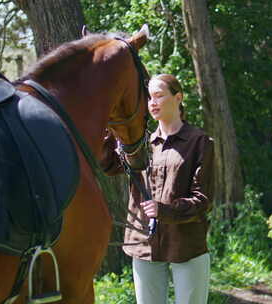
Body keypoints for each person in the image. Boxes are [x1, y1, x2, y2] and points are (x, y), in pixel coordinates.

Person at [103, 74, 215, 304]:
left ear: (178, 98)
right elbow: (109, 165)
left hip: (186, 243)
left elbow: (203, 199)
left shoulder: (199, 141)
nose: (152, 102)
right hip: (144, 242)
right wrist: (110, 125)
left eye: (159, 96)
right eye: (149, 98)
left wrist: (164, 210)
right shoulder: (139, 144)